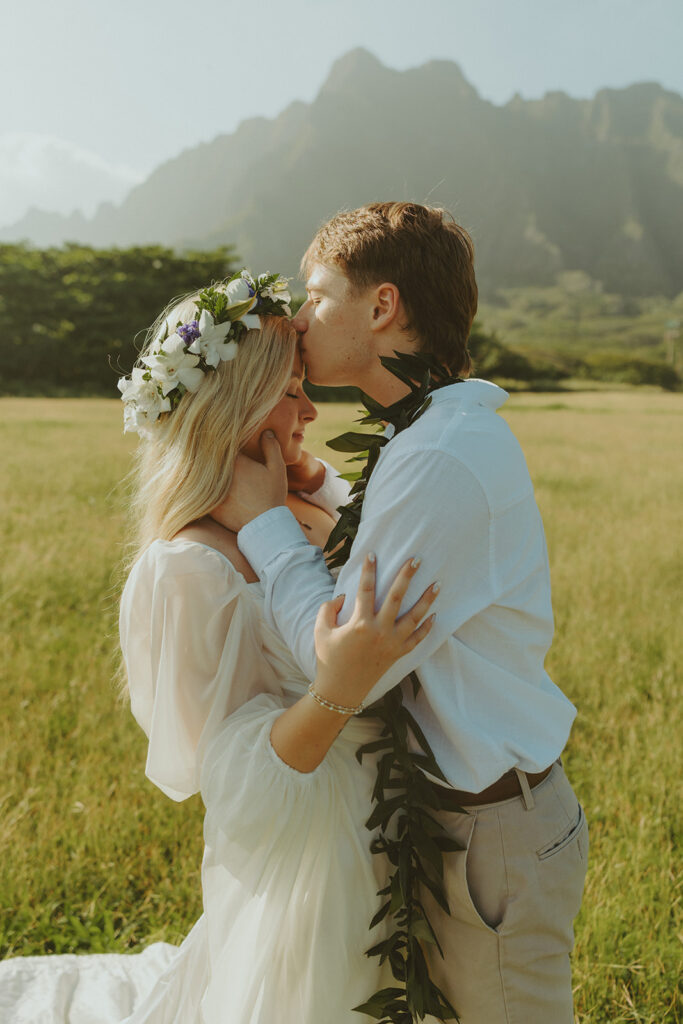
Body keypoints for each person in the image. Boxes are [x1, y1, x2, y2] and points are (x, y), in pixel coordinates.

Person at [0, 271, 439, 1023]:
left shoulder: (301, 502)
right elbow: (230, 779)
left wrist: (314, 486)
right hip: (318, 851)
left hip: (402, 812)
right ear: (233, 405)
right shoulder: (188, 569)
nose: (309, 408)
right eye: (290, 389)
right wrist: (338, 690)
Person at [212, 206, 589, 1024]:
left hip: (493, 837)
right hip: (471, 821)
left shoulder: (438, 456)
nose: (300, 319)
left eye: (316, 296)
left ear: (381, 308)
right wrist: (316, 493)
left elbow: (336, 659)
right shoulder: (428, 434)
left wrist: (265, 521)